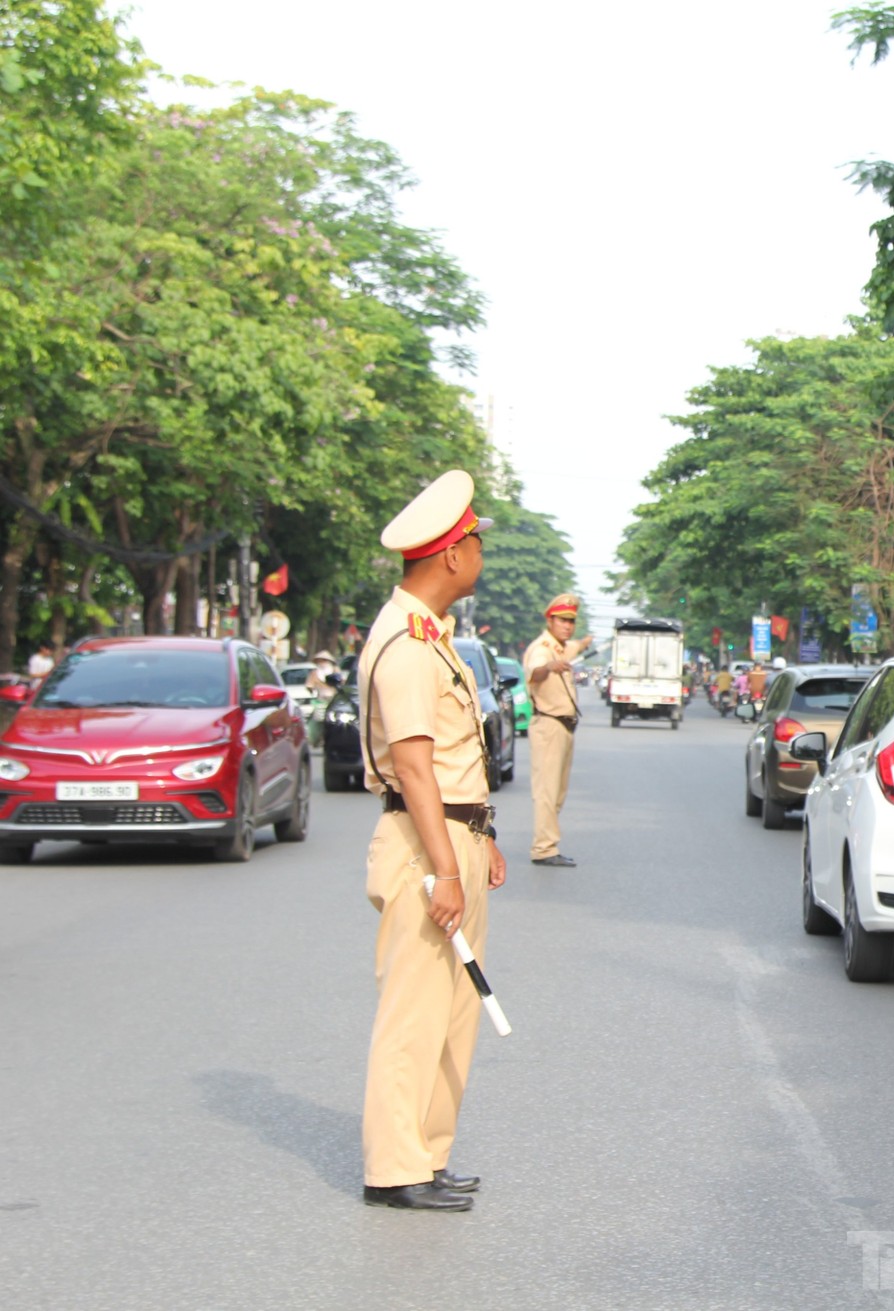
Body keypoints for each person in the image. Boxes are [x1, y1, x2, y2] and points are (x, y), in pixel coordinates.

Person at [357, 469, 507, 1211]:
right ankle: (394, 1168)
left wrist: (484, 836)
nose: (482, 552)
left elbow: (452, 760)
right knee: (414, 1009)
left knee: (455, 1009)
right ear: (451, 555)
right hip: (427, 848)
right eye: (476, 541)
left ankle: (428, 1151)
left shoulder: (433, 635)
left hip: (456, 836)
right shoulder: (409, 643)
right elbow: (414, 767)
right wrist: (447, 869)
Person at [523, 594, 590, 868]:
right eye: (562, 620)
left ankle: (547, 843)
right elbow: (535, 671)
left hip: (563, 727)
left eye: (571, 621)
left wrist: (587, 642)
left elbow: (574, 647)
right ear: (549, 620)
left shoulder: (561, 648)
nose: (567, 626)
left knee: (558, 791)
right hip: (549, 725)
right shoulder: (543, 649)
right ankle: (543, 848)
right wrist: (548, 668)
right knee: (547, 792)